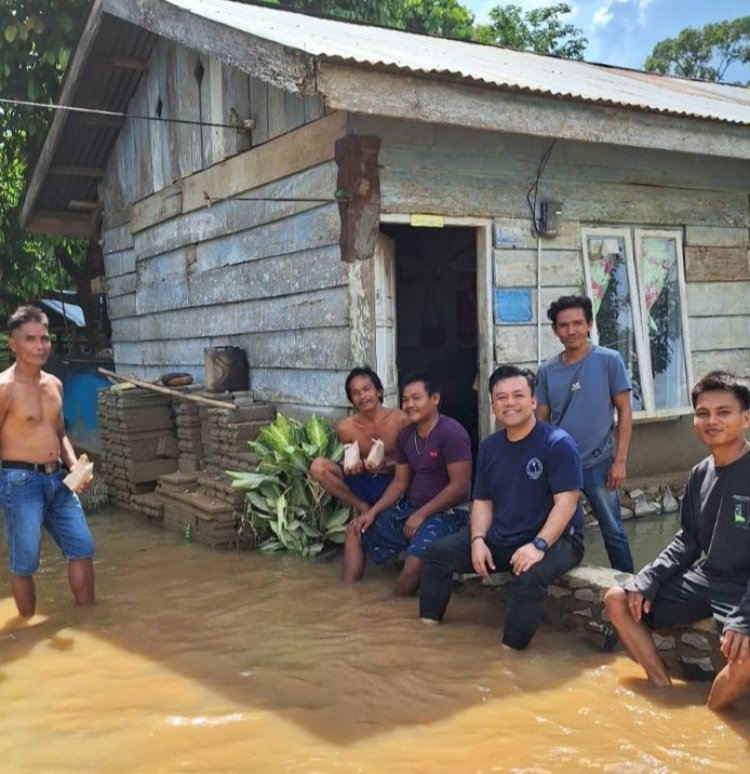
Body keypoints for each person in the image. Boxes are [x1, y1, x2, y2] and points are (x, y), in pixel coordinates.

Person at [604, 371, 750, 712]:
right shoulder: (700, 473)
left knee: (745, 658)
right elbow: (687, 540)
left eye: (723, 412)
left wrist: (745, 618)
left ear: (745, 418)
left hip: (744, 587)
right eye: (702, 413)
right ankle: (662, 688)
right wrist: (649, 578)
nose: (711, 421)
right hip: (707, 579)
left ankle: (711, 718)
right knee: (618, 599)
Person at [419, 365, 584, 649]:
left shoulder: (557, 444)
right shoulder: (490, 447)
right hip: (504, 534)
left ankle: (509, 656)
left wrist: (538, 545)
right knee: (437, 554)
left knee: (529, 578)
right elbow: (483, 500)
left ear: (533, 401)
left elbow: (566, 502)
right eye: (501, 397)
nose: (510, 403)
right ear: (493, 406)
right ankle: (426, 637)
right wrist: (477, 540)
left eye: (518, 395)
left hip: (556, 540)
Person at [0, 305, 95, 618]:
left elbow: (60, 432)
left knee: (82, 548)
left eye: (44, 338)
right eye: (30, 339)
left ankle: (88, 621)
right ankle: (26, 629)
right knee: (25, 563)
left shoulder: (55, 384)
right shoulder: (4, 388)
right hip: (20, 482)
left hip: (59, 481)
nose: (40, 345)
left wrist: (74, 466)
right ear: (13, 344)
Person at [342, 373, 471, 596]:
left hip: (448, 514)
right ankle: (348, 597)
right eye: (405, 399)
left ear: (435, 399)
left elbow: (460, 486)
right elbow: (400, 483)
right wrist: (371, 513)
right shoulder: (405, 436)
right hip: (411, 509)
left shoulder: (452, 433)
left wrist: (422, 514)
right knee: (356, 530)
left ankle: (394, 607)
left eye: (416, 398)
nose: (409, 405)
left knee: (415, 562)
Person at [536, 294, 634, 573]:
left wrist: (620, 460)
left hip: (599, 462)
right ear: (555, 330)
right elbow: (541, 420)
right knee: (557, 530)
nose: (571, 330)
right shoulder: (547, 371)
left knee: (613, 532)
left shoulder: (609, 361)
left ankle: (631, 586)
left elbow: (625, 410)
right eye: (564, 325)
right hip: (560, 465)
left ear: (589, 324)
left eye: (578, 323)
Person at [310, 366, 410, 514]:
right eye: (356, 393)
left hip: (394, 481)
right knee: (318, 467)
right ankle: (361, 506)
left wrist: (386, 465)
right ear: (351, 400)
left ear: (379, 391)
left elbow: (415, 460)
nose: (362, 396)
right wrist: (353, 468)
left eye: (367, 389)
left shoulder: (400, 419)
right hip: (364, 482)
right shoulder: (346, 428)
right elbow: (351, 462)